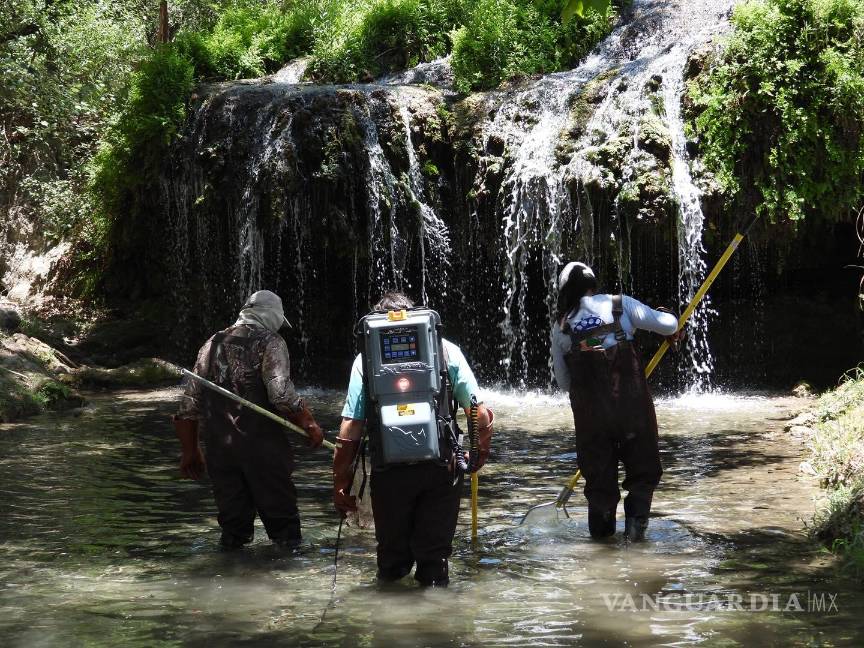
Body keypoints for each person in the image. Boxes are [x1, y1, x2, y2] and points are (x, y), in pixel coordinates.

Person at [332, 291, 493, 586]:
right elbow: (480, 415)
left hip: (389, 473)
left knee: (391, 563)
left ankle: (390, 609)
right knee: (434, 560)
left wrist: (341, 484)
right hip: (441, 469)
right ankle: (434, 608)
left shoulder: (364, 360)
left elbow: (350, 428)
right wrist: (476, 456)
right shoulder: (447, 351)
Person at [173, 290, 324, 549]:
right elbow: (281, 394)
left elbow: (189, 405)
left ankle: (230, 571)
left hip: (221, 452)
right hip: (263, 451)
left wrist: (190, 450)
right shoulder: (270, 342)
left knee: (233, 532)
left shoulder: (211, 344)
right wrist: (309, 423)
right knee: (285, 531)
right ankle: (288, 572)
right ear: (273, 316)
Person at [551, 262, 681, 542]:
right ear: (593, 284)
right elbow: (669, 325)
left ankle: (601, 546)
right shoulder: (620, 305)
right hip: (632, 411)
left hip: (592, 420)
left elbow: (563, 382)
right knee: (643, 473)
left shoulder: (561, 327)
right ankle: (635, 538)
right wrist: (668, 314)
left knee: (599, 484)